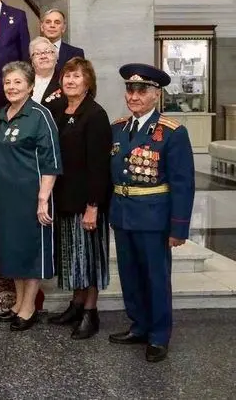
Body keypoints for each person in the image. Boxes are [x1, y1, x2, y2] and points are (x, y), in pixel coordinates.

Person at [108, 63, 194, 363]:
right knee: (130, 276)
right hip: (123, 214)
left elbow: (183, 184)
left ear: (156, 95)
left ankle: (158, 335)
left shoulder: (172, 132)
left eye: (141, 90)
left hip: (154, 218)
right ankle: (139, 325)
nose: (134, 96)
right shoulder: (117, 128)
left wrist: (179, 228)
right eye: (130, 90)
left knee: (155, 277)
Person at [0, 61, 61, 331]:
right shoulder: (2, 113)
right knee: (14, 250)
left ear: (31, 86)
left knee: (31, 250)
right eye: (8, 82)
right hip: (6, 198)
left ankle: (29, 306)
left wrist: (43, 197)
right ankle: (18, 302)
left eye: (18, 82)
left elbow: (51, 160)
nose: (11, 87)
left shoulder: (40, 115)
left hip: (32, 196)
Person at [45, 58, 112, 340]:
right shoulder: (59, 108)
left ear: (88, 81)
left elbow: (100, 166)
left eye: (76, 77)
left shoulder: (95, 115)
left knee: (90, 258)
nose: (70, 81)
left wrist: (93, 207)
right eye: (67, 76)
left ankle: (90, 312)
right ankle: (76, 304)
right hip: (64, 197)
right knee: (74, 257)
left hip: (88, 201)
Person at [29, 36, 61, 105]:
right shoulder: (25, 80)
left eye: (48, 52)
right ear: (32, 61)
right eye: (37, 53)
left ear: (56, 58)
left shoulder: (64, 81)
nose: (43, 56)